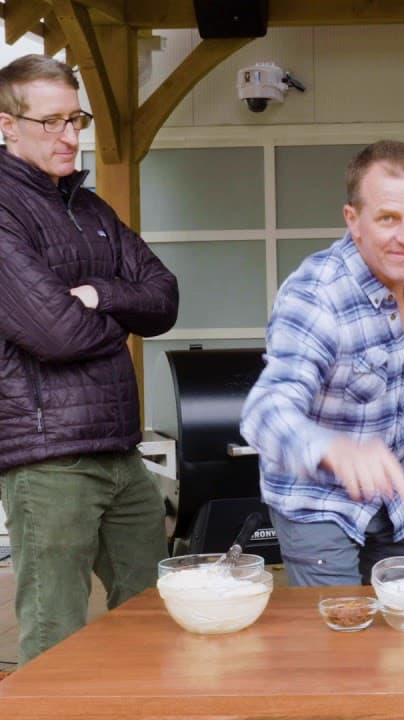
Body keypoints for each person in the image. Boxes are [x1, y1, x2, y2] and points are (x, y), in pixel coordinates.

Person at [0, 55, 179, 664]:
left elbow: (164, 300)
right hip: (48, 460)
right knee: (57, 636)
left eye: (75, 118)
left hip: (119, 452)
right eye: (51, 122)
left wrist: (104, 294)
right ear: (8, 124)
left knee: (153, 614)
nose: (70, 136)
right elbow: (57, 334)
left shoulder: (92, 209)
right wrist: (116, 322)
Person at [240, 140, 404, 586]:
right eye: (388, 219)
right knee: (339, 645)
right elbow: (265, 412)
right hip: (319, 503)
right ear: (353, 220)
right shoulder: (315, 297)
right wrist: (334, 451)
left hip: (402, 493)